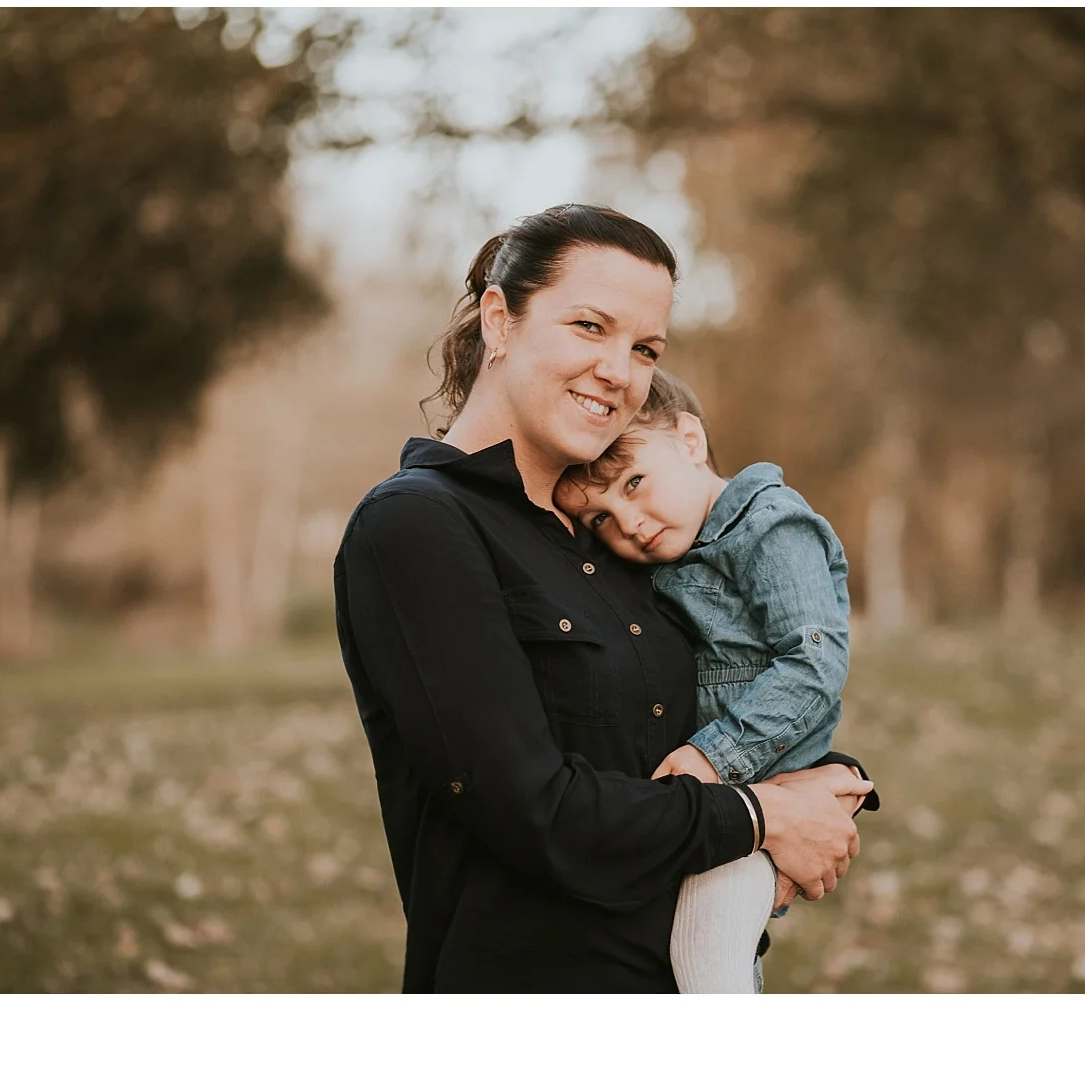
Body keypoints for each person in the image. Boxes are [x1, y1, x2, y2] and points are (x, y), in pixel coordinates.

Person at [333, 205, 871, 992]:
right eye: (591, 327)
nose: (621, 372)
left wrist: (829, 780)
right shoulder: (417, 527)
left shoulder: (621, 538)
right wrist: (765, 816)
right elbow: (535, 813)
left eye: (645, 347)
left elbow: (737, 678)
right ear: (499, 320)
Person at [555, 367, 864, 993]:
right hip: (706, 807)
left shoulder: (769, 527)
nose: (629, 524)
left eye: (634, 483)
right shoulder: (671, 556)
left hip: (748, 797)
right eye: (600, 520)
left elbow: (814, 664)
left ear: (690, 441)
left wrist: (711, 757)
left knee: (709, 970)